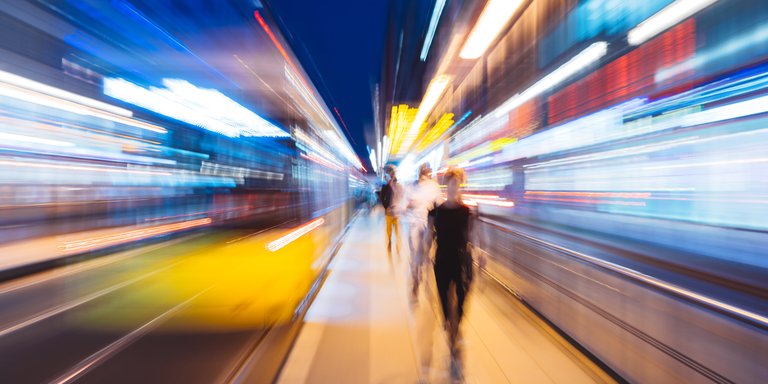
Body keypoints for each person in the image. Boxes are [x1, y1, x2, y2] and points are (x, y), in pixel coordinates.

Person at [433, 167, 482, 377]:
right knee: (444, 301)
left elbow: (473, 235)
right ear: (447, 186)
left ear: (460, 186)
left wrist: (480, 253)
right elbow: (428, 237)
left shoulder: (466, 212)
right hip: (442, 260)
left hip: (462, 261)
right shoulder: (436, 212)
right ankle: (449, 326)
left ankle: (456, 324)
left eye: (457, 184)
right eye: (451, 184)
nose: (454, 188)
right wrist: (419, 256)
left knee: (462, 300)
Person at [406, 163, 442, 299]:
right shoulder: (412, 187)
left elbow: (440, 204)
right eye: (425, 172)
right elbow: (405, 204)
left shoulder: (434, 187)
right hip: (414, 225)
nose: (427, 175)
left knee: (425, 253)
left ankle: (423, 276)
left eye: (428, 172)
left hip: (428, 225)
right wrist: (410, 204)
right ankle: (415, 278)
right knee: (415, 253)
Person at [380, 166, 404, 256]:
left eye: (391, 174)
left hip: (397, 213)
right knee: (389, 230)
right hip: (389, 213)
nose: (389, 177)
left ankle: (398, 245)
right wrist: (386, 207)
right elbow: (382, 199)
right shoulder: (385, 187)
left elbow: (401, 197)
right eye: (388, 175)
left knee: (398, 231)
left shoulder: (398, 187)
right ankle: (389, 241)